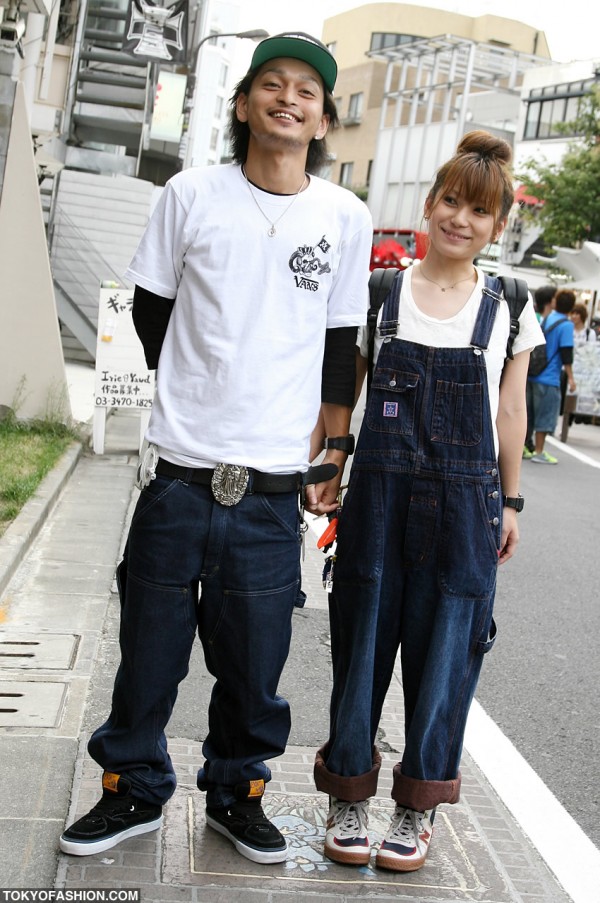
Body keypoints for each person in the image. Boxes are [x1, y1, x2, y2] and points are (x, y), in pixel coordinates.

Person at [59, 32, 373, 863]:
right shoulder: (192, 194)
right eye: (272, 84)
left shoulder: (343, 216)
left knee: (254, 663)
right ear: (244, 105)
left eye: (307, 90)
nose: (289, 98)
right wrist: (197, 384)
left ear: (322, 118)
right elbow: (150, 311)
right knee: (149, 657)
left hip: (272, 492)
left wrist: (332, 452)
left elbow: (342, 347)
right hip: (179, 478)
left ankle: (239, 793)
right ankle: (133, 792)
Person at [312, 131, 543, 872]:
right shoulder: (382, 294)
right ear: (428, 204)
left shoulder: (510, 303)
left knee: (447, 657)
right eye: (451, 201)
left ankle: (415, 809)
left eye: (480, 210)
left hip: (467, 505)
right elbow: (342, 391)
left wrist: (509, 500)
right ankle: (348, 791)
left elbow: (512, 413)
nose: (461, 219)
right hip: (377, 498)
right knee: (361, 648)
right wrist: (332, 458)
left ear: (497, 224)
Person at [527, 288, 576, 464]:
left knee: (529, 414)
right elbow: (566, 353)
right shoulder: (566, 324)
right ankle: (539, 452)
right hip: (549, 377)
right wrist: (570, 378)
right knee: (546, 416)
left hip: (533, 373)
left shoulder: (548, 318)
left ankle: (526, 447)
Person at [523, 284, 555, 456]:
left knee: (527, 409)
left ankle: (526, 443)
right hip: (538, 371)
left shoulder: (538, 317)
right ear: (551, 301)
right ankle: (526, 444)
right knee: (527, 410)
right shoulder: (541, 319)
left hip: (529, 370)